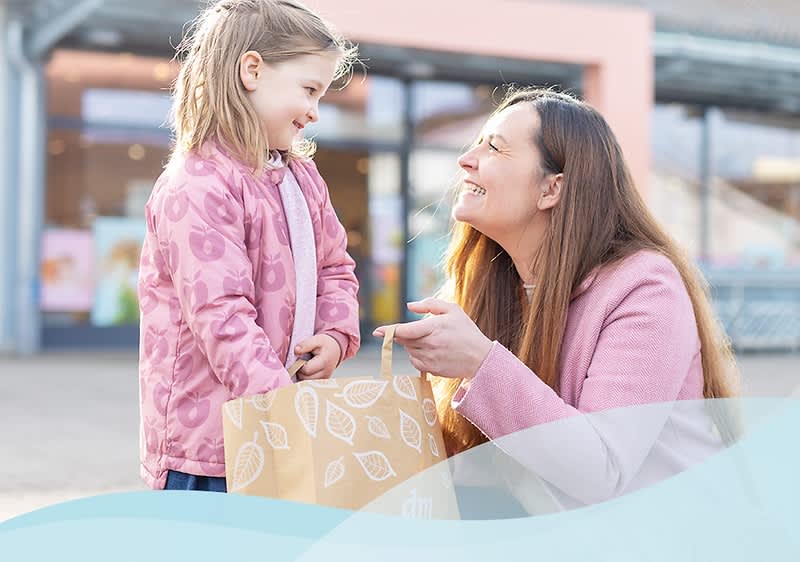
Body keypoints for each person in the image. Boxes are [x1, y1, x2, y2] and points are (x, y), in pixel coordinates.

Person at [375, 88, 740, 511]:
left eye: (493, 147)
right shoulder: (489, 286)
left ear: (552, 189)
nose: (466, 159)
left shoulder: (645, 288)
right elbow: (488, 472)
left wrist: (480, 362)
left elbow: (600, 469)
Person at [138, 0, 360, 492]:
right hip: (207, 453)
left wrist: (335, 335)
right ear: (252, 70)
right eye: (309, 89)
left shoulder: (304, 180)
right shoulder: (197, 185)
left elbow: (335, 268)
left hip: (275, 428)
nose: (314, 111)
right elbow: (222, 316)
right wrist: (284, 411)